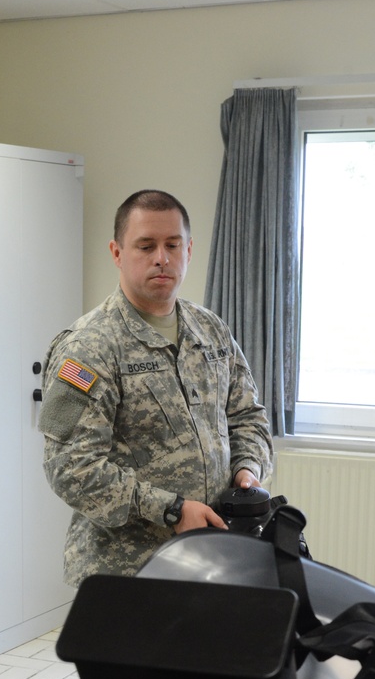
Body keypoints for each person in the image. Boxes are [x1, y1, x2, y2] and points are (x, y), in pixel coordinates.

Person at [40, 188, 273, 583]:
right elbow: (70, 468)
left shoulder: (211, 331)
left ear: (189, 249)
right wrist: (172, 510)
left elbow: (248, 417)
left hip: (212, 560)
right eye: (145, 246)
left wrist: (247, 470)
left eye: (172, 245)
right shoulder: (88, 347)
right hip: (128, 573)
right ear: (117, 252)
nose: (161, 258)